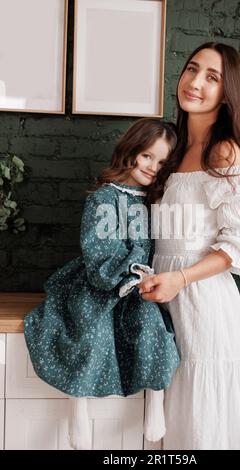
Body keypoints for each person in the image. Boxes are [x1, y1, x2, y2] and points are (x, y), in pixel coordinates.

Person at [138, 42, 240, 450]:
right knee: (168, 418)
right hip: (163, 296)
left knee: (200, 424)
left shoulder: (225, 151)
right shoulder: (171, 149)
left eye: (211, 77)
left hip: (204, 305)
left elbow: (238, 246)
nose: (195, 82)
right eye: (192, 69)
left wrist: (180, 278)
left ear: (228, 93)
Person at [24, 118, 180, 450]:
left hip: (141, 283)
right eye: (147, 156)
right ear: (132, 151)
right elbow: (98, 249)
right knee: (87, 330)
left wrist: (145, 277)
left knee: (153, 325)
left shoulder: (157, 200)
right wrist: (127, 273)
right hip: (99, 279)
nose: (153, 167)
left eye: (162, 162)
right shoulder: (104, 198)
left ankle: (155, 396)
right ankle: (76, 403)